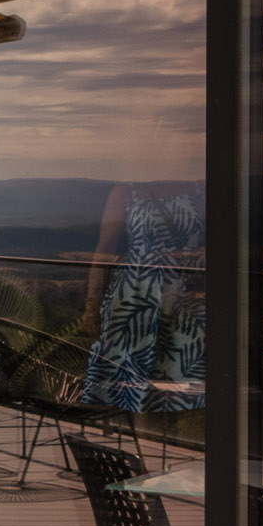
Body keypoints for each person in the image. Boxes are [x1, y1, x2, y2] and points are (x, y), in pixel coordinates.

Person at [80, 177, 206, 419]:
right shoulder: (126, 191)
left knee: (189, 384)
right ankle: (142, 447)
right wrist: (91, 305)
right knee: (137, 388)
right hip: (135, 299)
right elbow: (105, 249)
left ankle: (189, 447)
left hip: (189, 297)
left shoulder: (202, 188)